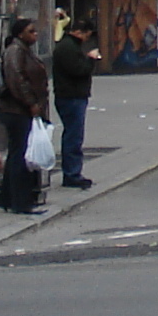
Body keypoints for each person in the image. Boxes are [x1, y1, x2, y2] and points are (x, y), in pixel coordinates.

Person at [0, 16, 54, 215]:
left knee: (17, 153)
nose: (35, 34)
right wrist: (31, 103)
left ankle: (9, 198)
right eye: (31, 31)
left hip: (20, 109)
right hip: (17, 110)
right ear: (20, 33)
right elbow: (17, 79)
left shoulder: (24, 50)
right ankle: (20, 201)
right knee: (21, 155)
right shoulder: (15, 51)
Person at [51, 11, 100, 191]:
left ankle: (72, 172)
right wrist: (91, 60)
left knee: (73, 134)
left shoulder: (68, 45)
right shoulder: (68, 48)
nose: (88, 39)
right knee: (73, 135)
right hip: (71, 96)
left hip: (70, 95)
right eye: (88, 34)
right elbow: (78, 70)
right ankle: (72, 174)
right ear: (81, 32)